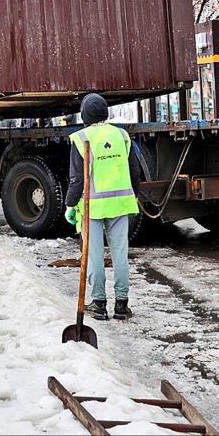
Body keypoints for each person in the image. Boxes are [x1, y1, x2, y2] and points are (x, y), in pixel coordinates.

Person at [64, 93, 143, 321]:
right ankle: (121, 304)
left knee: (93, 255)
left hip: (92, 208)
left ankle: (98, 303)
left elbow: (77, 179)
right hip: (120, 205)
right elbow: (134, 172)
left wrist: (70, 205)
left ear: (85, 115)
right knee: (120, 254)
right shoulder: (122, 136)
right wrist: (132, 196)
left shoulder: (81, 138)